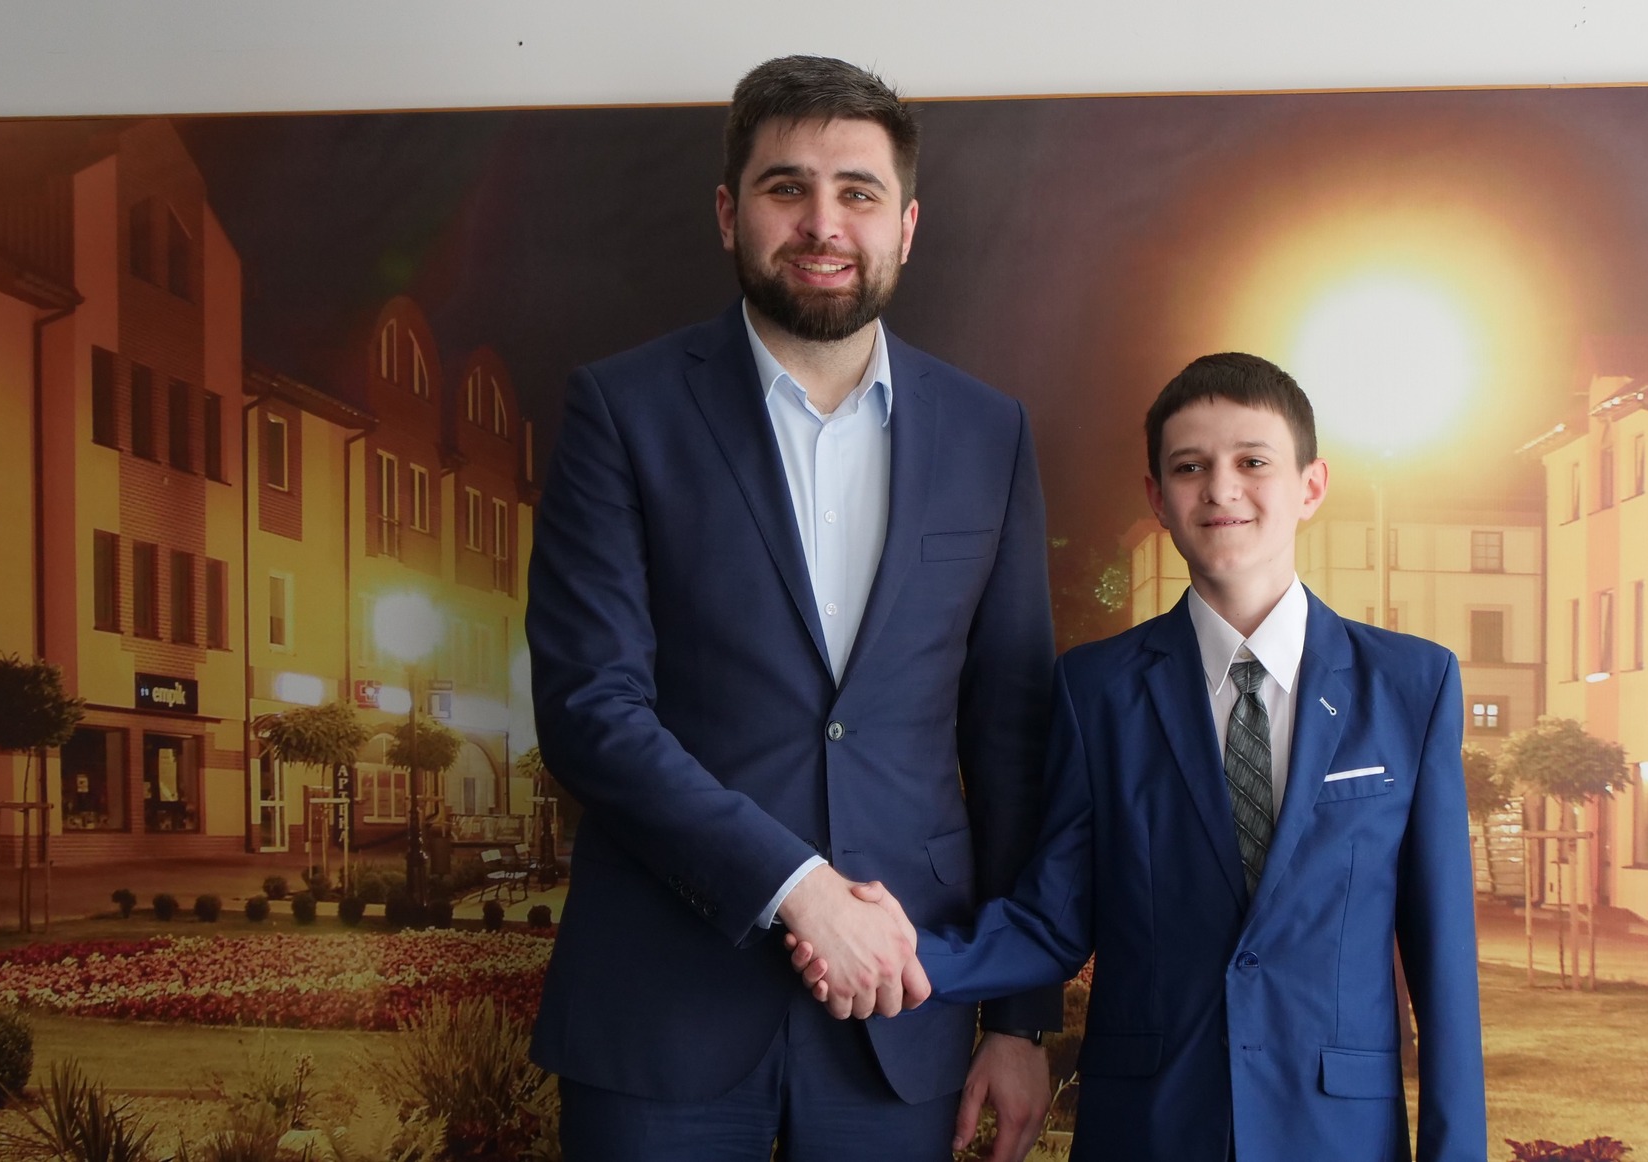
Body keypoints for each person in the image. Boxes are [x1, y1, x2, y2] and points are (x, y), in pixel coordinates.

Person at [526, 54, 1060, 1162]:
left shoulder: (989, 433)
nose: (824, 223)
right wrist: (799, 888)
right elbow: (589, 708)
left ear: (905, 226)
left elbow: (1009, 739)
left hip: (902, 1009)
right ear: (730, 213)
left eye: (857, 192)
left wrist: (1017, 1019)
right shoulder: (621, 410)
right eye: (787, 188)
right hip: (659, 1005)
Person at [793, 353, 1487, 1161]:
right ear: (1157, 498)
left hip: (1336, 1134)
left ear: (1311, 486)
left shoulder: (1410, 686)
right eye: (1190, 467)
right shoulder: (1097, 692)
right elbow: (1051, 922)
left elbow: (1443, 968)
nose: (1221, 489)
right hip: (1150, 1127)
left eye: (1252, 462)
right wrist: (900, 951)